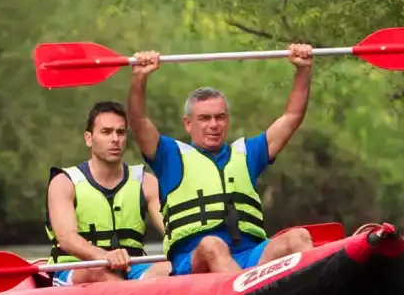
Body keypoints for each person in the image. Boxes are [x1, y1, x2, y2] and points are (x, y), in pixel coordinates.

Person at [125, 43, 317, 276]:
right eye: (204, 118)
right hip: (195, 259)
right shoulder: (169, 155)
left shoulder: (247, 153)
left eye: (220, 117)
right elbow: (138, 121)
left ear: (227, 120)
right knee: (213, 245)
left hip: (251, 254)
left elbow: (292, 116)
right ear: (188, 123)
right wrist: (140, 78)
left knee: (299, 237)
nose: (213, 125)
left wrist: (303, 70)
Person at [45, 101, 173, 286]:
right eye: (106, 132)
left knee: (172, 268)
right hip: (79, 268)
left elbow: (171, 230)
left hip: (132, 266)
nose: (115, 139)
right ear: (89, 138)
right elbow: (67, 240)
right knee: (96, 271)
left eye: (120, 132)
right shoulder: (64, 182)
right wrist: (104, 256)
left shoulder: (146, 182)